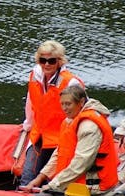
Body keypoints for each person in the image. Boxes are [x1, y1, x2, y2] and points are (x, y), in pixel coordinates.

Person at [21, 85, 118, 196]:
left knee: (51, 189)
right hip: (73, 182)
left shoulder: (89, 126)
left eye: (68, 104)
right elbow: (59, 153)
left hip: (94, 187)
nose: (64, 108)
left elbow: (81, 162)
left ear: (81, 102)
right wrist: (41, 177)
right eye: (62, 104)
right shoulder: (70, 120)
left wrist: (54, 184)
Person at [19, 40, 84, 186]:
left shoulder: (70, 83)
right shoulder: (34, 77)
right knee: (27, 176)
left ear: (59, 62)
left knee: (53, 180)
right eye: (43, 60)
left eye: (51, 61)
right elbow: (31, 102)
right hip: (39, 134)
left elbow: (83, 110)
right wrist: (28, 124)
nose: (47, 64)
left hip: (62, 137)